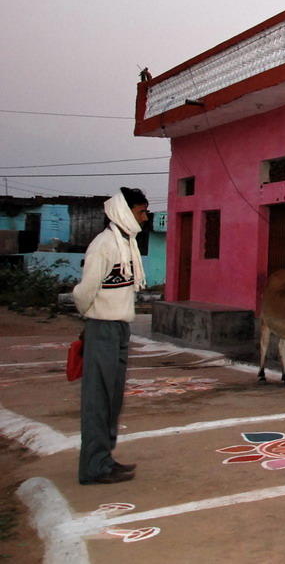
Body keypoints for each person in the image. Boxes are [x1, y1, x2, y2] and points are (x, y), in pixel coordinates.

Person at [72, 187, 148, 484]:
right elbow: (85, 291)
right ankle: (93, 467)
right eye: (140, 212)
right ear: (123, 212)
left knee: (112, 398)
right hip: (102, 327)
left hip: (119, 327)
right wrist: (92, 319)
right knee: (97, 398)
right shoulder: (104, 245)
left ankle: (105, 459)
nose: (144, 218)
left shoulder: (127, 244)